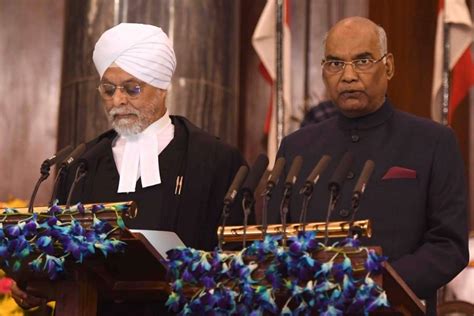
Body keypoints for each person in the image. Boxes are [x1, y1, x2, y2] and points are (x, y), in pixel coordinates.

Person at [11, 23, 246, 314]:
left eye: (132, 88)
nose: (117, 100)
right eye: (108, 89)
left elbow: (239, 262)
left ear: (161, 88)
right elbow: (59, 256)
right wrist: (34, 281)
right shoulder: (81, 164)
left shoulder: (215, 160)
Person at [269, 17, 468, 315]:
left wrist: (378, 282)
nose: (348, 76)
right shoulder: (296, 148)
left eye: (362, 60)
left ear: (388, 66)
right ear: (323, 71)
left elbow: (448, 245)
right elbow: (276, 241)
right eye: (335, 64)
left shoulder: (433, 142)